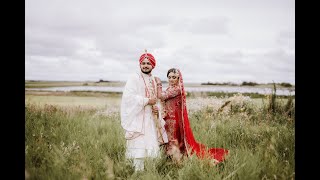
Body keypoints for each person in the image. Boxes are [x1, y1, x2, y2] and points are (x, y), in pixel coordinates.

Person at [156, 68, 229, 164]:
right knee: (168, 137)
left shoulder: (177, 89)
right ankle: (170, 156)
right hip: (168, 118)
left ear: (178, 78)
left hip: (175, 119)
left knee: (173, 138)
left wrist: (158, 84)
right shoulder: (170, 88)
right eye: (169, 77)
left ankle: (175, 157)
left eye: (174, 77)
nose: (171, 79)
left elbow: (161, 96)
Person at [120, 51, 168, 171]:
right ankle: (138, 172)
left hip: (151, 117)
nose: (145, 65)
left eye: (148, 63)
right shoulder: (134, 78)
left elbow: (156, 98)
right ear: (140, 65)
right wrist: (146, 101)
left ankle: (151, 171)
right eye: (143, 63)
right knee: (139, 143)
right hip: (138, 116)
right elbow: (128, 97)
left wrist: (157, 108)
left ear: (153, 65)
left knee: (151, 143)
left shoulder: (154, 79)